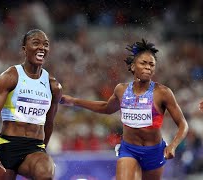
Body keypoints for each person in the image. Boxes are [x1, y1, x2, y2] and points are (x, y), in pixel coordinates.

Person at [60, 39, 188, 180]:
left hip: (154, 151)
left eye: (152, 64)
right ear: (133, 67)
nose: (148, 67)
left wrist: (173, 145)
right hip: (129, 149)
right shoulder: (121, 90)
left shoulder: (163, 93)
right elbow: (106, 108)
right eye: (143, 63)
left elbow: (183, 124)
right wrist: (73, 101)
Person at [0, 29, 62, 180]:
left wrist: (42, 151)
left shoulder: (53, 85)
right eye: (36, 43)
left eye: (46, 45)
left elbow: (49, 122)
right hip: (6, 146)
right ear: (24, 49)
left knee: (45, 171)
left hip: (33, 148)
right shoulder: (10, 77)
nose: (42, 47)